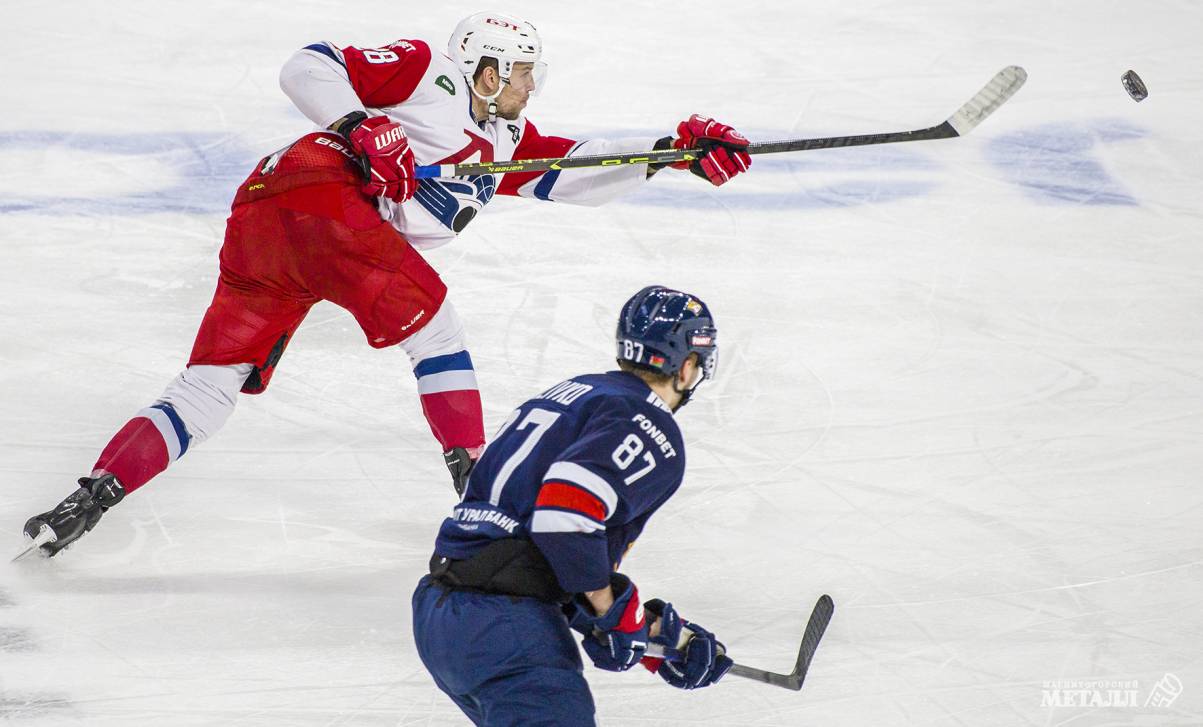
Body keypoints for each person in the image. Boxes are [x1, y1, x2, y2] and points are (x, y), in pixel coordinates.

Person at [21, 11, 752, 557]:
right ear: (487, 70)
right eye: (522, 71)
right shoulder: (425, 70)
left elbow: (575, 169)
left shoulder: (504, 143)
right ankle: (479, 492)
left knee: (211, 382)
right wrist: (362, 121)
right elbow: (305, 65)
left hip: (269, 223)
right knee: (436, 329)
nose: (531, 86)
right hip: (316, 193)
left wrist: (671, 154)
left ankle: (94, 494)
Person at [412, 285, 733, 726]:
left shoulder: (573, 393)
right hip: (506, 628)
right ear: (688, 365)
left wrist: (653, 639)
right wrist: (610, 608)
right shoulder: (648, 422)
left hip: (443, 616)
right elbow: (564, 517)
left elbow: (528, 542)